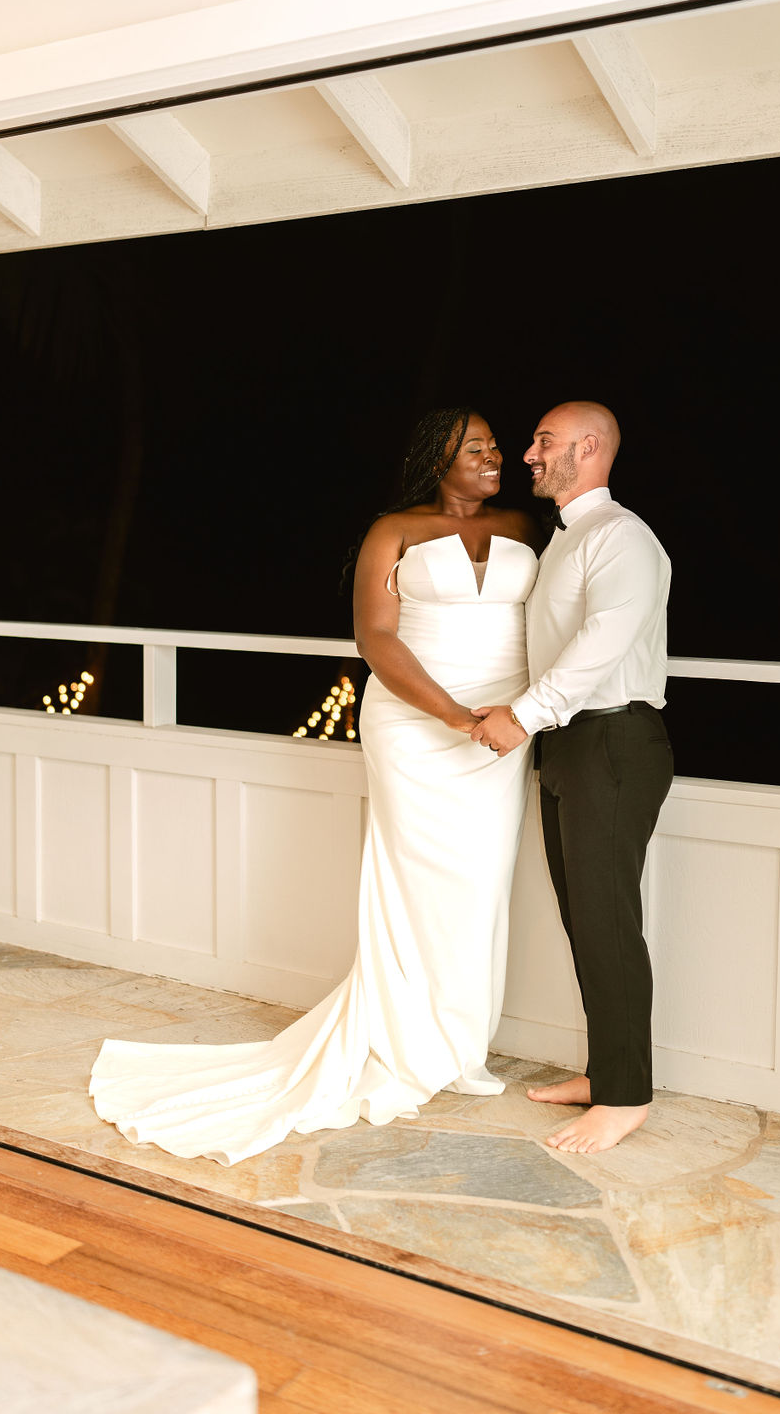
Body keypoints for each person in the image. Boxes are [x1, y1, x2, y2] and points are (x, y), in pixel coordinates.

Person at [89, 407, 542, 1164]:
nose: (495, 455)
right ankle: (405, 1041)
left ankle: (461, 1046)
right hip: (419, 724)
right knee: (416, 879)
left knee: (483, 881)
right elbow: (376, 638)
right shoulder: (393, 529)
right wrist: (455, 715)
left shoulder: (526, 528)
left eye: (497, 444)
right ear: (439, 458)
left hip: (503, 730)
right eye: (477, 447)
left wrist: (522, 713)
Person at [471, 401, 672, 1156]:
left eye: (543, 442)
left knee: (609, 921)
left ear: (588, 449)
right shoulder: (572, 540)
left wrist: (522, 717)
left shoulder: (623, 538)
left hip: (616, 742)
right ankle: (606, 1071)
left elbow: (598, 648)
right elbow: (560, 648)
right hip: (574, 744)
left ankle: (625, 1099)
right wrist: (521, 710)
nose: (528, 453)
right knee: (585, 919)